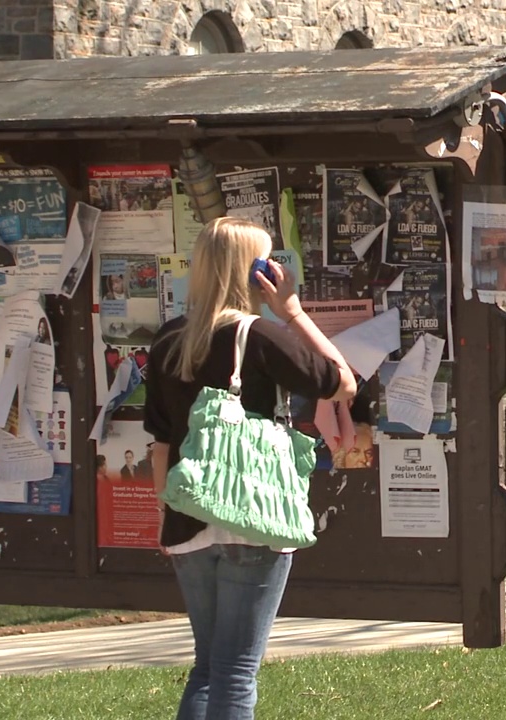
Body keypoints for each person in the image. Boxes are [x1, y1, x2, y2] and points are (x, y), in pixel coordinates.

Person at [144, 216, 356, 720]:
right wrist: (294, 312)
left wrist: (165, 520)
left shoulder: (167, 341)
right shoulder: (258, 335)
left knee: (208, 668)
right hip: (253, 516)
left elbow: (160, 444)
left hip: (189, 519)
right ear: (253, 271)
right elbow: (342, 383)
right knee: (237, 670)